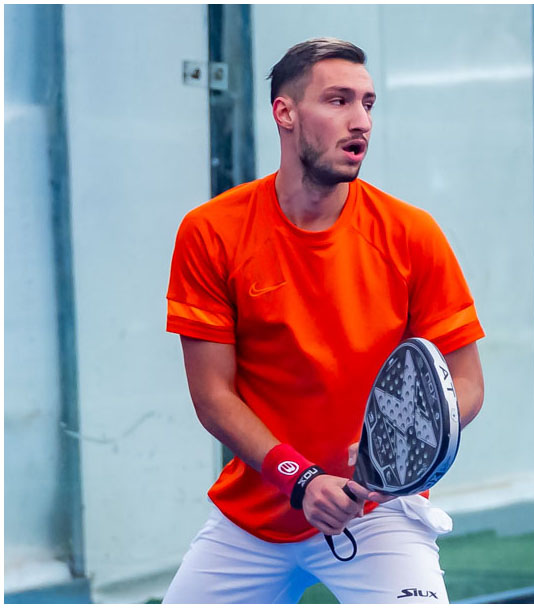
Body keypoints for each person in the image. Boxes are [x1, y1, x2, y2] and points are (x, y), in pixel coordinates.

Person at [162, 37, 485, 603]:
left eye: (368, 103)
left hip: (378, 513)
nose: (361, 121)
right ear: (284, 113)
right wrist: (302, 479)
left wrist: (398, 447)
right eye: (338, 101)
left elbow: (467, 382)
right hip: (255, 516)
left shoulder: (412, 233)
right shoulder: (210, 232)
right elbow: (213, 395)